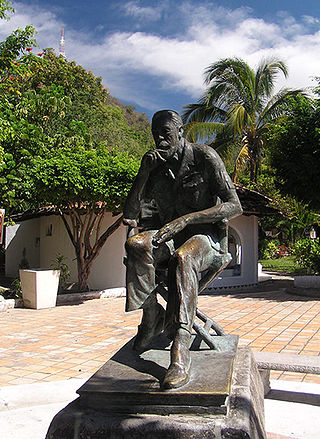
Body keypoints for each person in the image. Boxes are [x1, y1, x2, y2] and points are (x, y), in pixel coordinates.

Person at [123, 110, 242, 390]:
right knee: (136, 245)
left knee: (183, 257)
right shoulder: (154, 166)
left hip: (206, 239)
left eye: (166, 132)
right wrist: (143, 173)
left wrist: (187, 219)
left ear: (180, 132)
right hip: (170, 236)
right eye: (155, 134)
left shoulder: (204, 156)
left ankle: (180, 351)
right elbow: (130, 214)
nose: (160, 139)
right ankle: (152, 316)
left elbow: (234, 204)